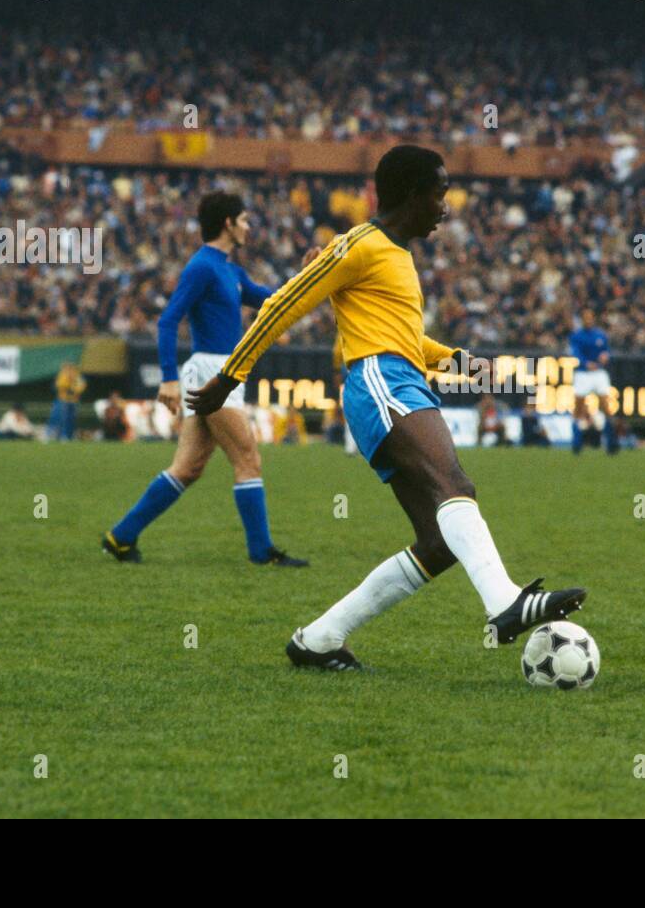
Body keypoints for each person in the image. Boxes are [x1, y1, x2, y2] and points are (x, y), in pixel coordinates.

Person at [187, 145, 587, 670]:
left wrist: (468, 365)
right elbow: (281, 303)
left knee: (440, 543)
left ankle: (319, 639)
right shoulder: (359, 244)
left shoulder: (395, 254)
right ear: (413, 195)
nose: (446, 206)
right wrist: (229, 376)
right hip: (380, 380)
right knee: (456, 488)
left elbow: (407, 340)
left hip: (398, 376)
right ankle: (505, 603)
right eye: (440, 194)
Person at [102, 191, 308, 567]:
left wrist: (312, 276)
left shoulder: (230, 270)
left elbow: (273, 299)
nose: (249, 227)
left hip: (220, 372)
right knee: (248, 457)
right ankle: (262, 553)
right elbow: (167, 320)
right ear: (228, 223)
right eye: (244, 220)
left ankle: (120, 536)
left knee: (187, 468)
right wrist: (167, 379)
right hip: (212, 372)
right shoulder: (202, 267)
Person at [569, 309, 616, 454]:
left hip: (598, 373)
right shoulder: (576, 336)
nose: (588, 320)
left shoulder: (600, 334)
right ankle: (577, 443)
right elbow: (575, 352)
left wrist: (605, 355)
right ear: (582, 319)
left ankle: (611, 443)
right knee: (578, 408)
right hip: (583, 374)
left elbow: (606, 350)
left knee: (606, 405)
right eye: (585, 318)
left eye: (590, 317)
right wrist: (585, 363)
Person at [48, 362, 86, 441]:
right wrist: (69, 384)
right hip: (63, 400)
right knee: (61, 419)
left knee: (71, 420)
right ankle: (60, 436)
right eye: (67, 368)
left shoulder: (77, 376)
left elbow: (81, 386)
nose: (68, 369)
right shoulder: (62, 375)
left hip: (73, 401)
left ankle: (69, 436)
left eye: (70, 367)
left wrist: (73, 388)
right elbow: (59, 385)